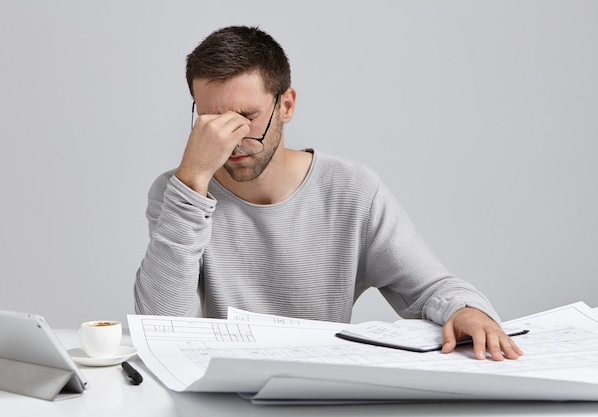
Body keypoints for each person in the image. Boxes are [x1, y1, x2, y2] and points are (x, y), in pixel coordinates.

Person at [134, 25, 523, 361]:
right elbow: (162, 326)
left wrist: (469, 310)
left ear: (285, 105)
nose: (231, 138)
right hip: (221, 394)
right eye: (210, 120)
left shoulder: (350, 189)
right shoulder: (183, 191)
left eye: (246, 118)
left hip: (323, 392)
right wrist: (192, 181)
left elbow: (431, 287)